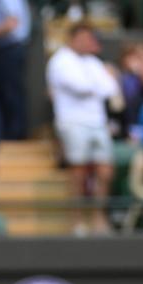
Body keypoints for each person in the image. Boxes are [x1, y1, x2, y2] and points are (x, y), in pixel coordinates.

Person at [46, 23, 119, 234]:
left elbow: (110, 88)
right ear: (74, 38)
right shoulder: (60, 61)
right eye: (86, 38)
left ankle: (98, 217)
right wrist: (98, 83)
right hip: (72, 122)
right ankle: (76, 219)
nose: (90, 42)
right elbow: (81, 87)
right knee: (77, 172)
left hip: (97, 123)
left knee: (105, 171)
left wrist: (97, 84)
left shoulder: (93, 62)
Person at [0, 0, 30, 140]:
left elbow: (12, 23)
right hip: (11, 48)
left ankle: (13, 134)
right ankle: (15, 132)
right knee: (11, 90)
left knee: (9, 91)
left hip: (9, 48)